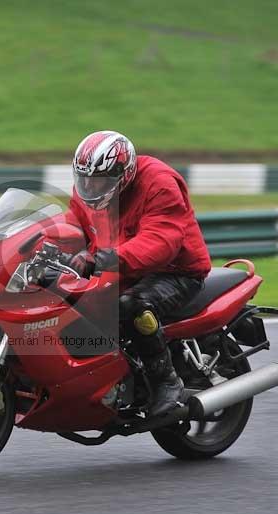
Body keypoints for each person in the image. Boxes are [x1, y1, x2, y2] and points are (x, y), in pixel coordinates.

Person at [65, 130, 212, 418]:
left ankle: (166, 382)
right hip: (119, 267)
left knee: (131, 305)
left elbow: (162, 240)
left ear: (125, 173)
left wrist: (110, 258)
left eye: (99, 181)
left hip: (175, 271)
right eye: (85, 180)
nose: (91, 187)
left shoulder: (158, 182)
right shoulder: (87, 192)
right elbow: (73, 227)